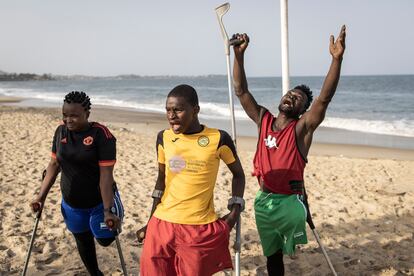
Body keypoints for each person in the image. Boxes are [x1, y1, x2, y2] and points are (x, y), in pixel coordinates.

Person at [232, 26, 346, 275]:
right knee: (273, 259)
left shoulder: (301, 129)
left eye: (298, 99)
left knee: (291, 245)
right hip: (263, 201)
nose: (292, 97)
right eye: (290, 94)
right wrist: (239, 56)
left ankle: (301, 215)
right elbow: (241, 91)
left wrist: (336, 60)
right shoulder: (263, 118)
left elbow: (324, 100)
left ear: (302, 110)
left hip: (289, 203)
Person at [136, 84, 245, 276]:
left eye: (178, 110)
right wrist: (150, 221)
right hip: (161, 225)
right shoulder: (164, 137)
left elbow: (238, 175)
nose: (171, 116)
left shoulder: (219, 138)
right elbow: (161, 181)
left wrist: (234, 213)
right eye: (168, 110)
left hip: (198, 228)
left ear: (195, 110)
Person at [30, 91, 124, 276]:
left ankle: (114, 210)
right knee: (82, 240)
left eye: (74, 115)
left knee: (104, 239)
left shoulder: (102, 135)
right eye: (65, 115)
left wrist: (107, 211)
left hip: (99, 202)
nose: (68, 120)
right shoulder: (60, 131)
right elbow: (54, 164)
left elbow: (106, 176)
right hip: (72, 203)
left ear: (87, 114)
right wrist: (40, 196)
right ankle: (95, 273)